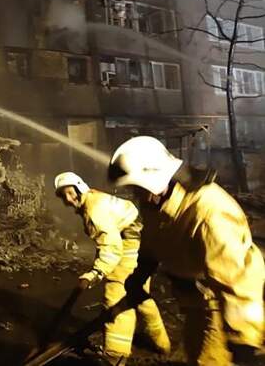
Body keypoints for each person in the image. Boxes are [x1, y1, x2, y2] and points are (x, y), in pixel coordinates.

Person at [108, 135, 264, 366]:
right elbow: (152, 239)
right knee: (194, 354)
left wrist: (244, 340)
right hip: (195, 302)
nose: (134, 194)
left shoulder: (209, 213)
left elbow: (237, 280)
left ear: (154, 178)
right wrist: (140, 274)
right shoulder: (157, 202)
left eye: (136, 188)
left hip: (220, 303)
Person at [53, 172, 171, 365]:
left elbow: (111, 247)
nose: (68, 199)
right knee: (138, 294)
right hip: (140, 241)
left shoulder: (94, 209)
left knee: (117, 293)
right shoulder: (92, 199)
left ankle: (116, 355)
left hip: (131, 243)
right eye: (63, 196)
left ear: (79, 187)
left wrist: (95, 273)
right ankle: (162, 343)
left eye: (70, 192)